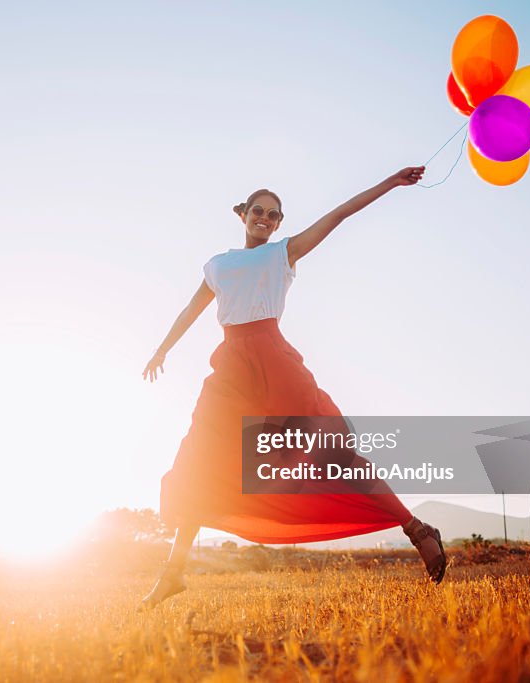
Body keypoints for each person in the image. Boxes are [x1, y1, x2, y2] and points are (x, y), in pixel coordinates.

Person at [139, 166, 446, 609]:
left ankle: (416, 529)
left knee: (335, 454)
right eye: (258, 211)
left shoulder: (284, 253)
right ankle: (173, 574)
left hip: (274, 362)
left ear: (280, 223)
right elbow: (191, 309)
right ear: (242, 214)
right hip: (229, 372)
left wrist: (390, 182)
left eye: (274, 214)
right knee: (197, 462)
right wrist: (162, 350)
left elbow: (339, 214)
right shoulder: (217, 265)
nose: (265, 218)